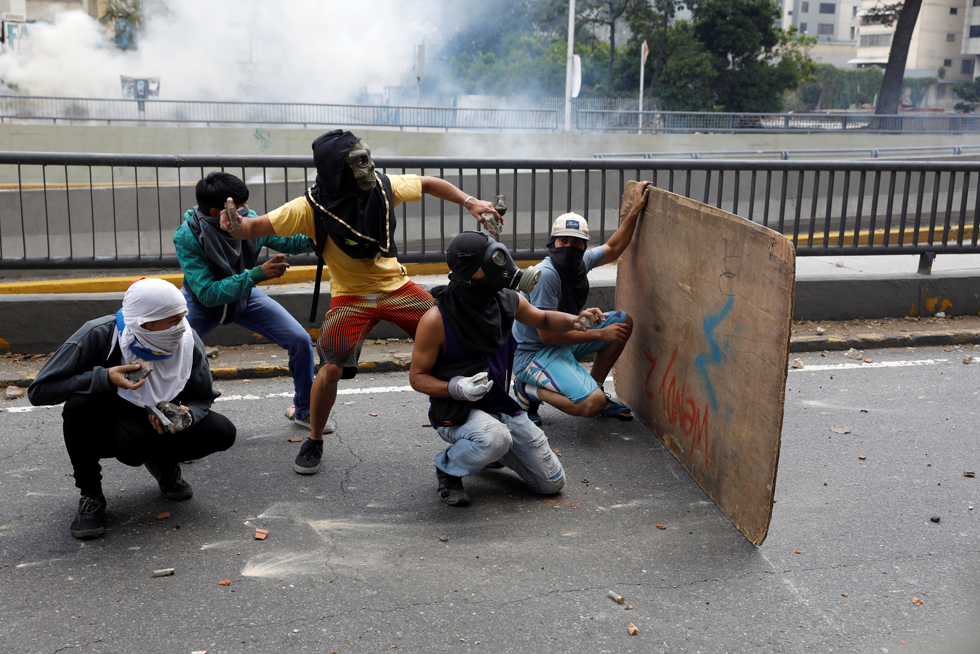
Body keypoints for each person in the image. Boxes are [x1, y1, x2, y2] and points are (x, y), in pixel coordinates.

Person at [220, 129, 503, 476]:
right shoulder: (310, 207)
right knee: (331, 367)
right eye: (358, 162)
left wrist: (470, 201)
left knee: (456, 336)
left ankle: (481, 427)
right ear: (338, 171)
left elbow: (428, 183)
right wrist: (235, 226)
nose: (369, 167)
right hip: (350, 298)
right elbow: (255, 227)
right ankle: (315, 438)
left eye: (367, 157)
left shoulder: (384, 188)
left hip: (397, 288)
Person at [28, 278, 236, 539]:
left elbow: (203, 397)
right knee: (77, 407)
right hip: (114, 425)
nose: (181, 328)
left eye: (183, 318)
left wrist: (187, 416)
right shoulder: (100, 334)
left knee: (222, 431)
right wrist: (103, 378)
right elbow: (39, 391)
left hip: (160, 425)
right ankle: (91, 495)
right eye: (173, 321)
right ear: (144, 323)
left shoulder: (188, 339)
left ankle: (164, 463)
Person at [410, 231, 598, 506]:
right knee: (494, 438)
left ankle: (492, 450)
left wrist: (575, 321)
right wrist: (456, 388)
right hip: (457, 412)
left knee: (551, 483)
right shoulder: (435, 320)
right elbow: (417, 378)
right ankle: (449, 467)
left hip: (499, 407)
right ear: (473, 272)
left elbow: (543, 317)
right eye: (494, 260)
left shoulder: (506, 300)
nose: (504, 267)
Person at [174, 171, 327, 431]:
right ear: (215, 211)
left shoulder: (249, 221)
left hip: (244, 294)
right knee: (177, 355)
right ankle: (181, 423)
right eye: (238, 208)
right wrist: (257, 274)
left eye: (244, 206)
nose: (245, 212)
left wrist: (323, 234)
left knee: (300, 341)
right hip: (201, 303)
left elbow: (288, 241)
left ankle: (305, 410)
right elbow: (208, 293)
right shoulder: (188, 236)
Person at [512, 180, 651, 425]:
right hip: (534, 354)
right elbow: (548, 336)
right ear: (552, 243)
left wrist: (635, 210)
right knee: (590, 403)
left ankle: (595, 386)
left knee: (622, 322)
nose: (569, 246)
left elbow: (615, 247)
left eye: (576, 242)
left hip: (561, 340)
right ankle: (527, 390)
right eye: (563, 241)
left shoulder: (581, 262)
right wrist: (599, 335)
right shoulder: (546, 276)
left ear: (584, 245)